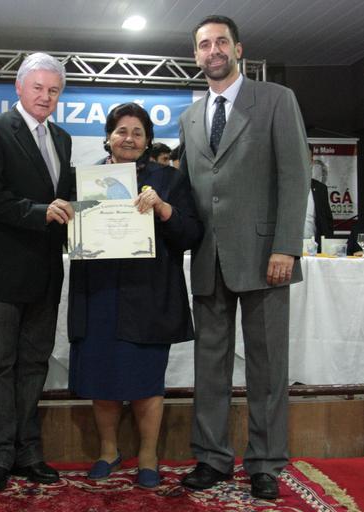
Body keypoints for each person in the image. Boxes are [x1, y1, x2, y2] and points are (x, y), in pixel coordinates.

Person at [178, 15, 309, 500]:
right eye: (203, 44)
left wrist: (286, 246)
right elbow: (191, 190)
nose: (212, 50)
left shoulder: (276, 99)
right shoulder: (190, 116)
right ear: (196, 55)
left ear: (238, 49)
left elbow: (295, 175)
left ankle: (266, 462)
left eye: (221, 42)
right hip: (208, 258)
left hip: (265, 257)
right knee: (208, 367)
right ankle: (212, 458)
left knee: (267, 367)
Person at [68, 103, 203, 487]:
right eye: (121, 131)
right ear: (108, 136)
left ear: (147, 140)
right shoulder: (86, 179)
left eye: (137, 132)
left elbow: (191, 233)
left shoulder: (168, 179)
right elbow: (69, 232)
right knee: (101, 376)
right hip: (98, 293)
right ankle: (108, 451)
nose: (129, 139)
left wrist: (163, 208)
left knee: (146, 379)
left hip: (148, 294)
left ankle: (148, 455)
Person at [0, 52, 74, 492]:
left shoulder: (62, 138)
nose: (45, 96)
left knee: (34, 364)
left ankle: (28, 451)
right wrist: (38, 212)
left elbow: (64, 198)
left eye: (54, 90)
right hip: (2, 271)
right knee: (0, 365)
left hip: (46, 271)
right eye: (38, 88)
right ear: (19, 87)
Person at [303, 146, 334, 251]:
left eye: (307, 158)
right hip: (288, 249)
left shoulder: (321, 189)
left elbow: (327, 222)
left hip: (314, 248)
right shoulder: (283, 187)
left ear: (311, 161)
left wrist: (327, 247)